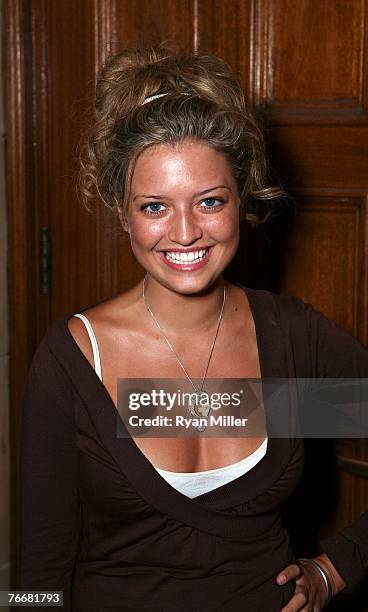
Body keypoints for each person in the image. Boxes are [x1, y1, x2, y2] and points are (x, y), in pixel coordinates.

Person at [20, 45, 368, 611]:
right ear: (121, 210)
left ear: (242, 200)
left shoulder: (291, 339)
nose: (185, 234)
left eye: (209, 201)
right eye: (155, 207)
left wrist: (337, 568)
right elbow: (38, 565)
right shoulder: (75, 361)